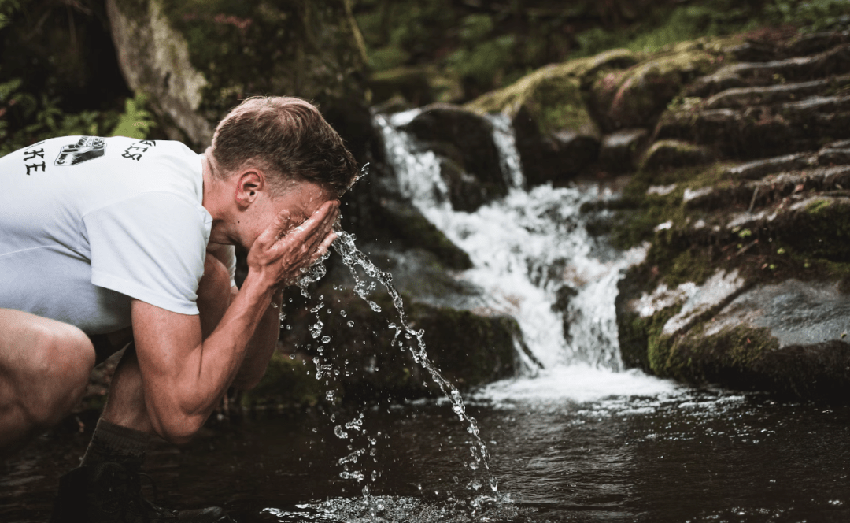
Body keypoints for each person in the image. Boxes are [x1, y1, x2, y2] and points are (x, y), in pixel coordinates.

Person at [0, 96, 358, 522]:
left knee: (207, 285)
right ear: (250, 187)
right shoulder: (162, 208)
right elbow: (179, 418)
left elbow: (244, 375)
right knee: (57, 359)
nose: (310, 236)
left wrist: (271, 285)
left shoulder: (195, 205)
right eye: (302, 218)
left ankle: (101, 496)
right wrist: (262, 280)